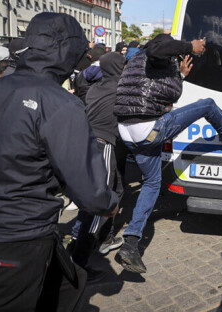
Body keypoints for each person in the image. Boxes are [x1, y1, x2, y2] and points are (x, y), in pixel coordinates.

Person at [0, 12, 119, 311]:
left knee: (68, 287)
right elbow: (89, 189)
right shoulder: (61, 104)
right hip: (14, 235)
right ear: (68, 52)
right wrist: (110, 203)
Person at [114, 32, 222, 273]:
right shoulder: (153, 54)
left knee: (152, 184)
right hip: (147, 128)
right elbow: (158, 48)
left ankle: (130, 244)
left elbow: (167, 93)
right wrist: (191, 46)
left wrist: (179, 76)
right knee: (207, 105)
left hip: (127, 131)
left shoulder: (136, 61)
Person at [69, 51, 127, 280]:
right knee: (99, 205)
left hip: (89, 144)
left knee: (116, 190)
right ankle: (77, 265)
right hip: (103, 146)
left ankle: (88, 244)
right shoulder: (119, 89)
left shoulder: (96, 87)